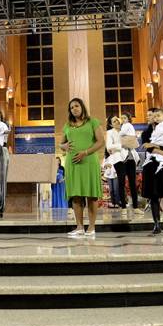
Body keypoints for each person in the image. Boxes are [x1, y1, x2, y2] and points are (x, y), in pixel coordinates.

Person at [59, 98, 105, 237]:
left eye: (76, 106)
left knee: (91, 195)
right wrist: (64, 146)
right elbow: (61, 144)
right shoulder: (67, 125)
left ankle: (91, 227)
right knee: (76, 195)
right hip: (73, 163)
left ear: (82, 107)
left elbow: (101, 141)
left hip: (89, 161)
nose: (74, 109)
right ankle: (79, 227)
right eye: (71, 107)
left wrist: (85, 152)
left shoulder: (93, 122)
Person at [142, 108, 163, 234]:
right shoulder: (146, 133)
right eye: (150, 115)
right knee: (154, 196)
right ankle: (156, 224)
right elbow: (147, 148)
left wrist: (155, 146)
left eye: (153, 115)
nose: (151, 117)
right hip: (151, 166)